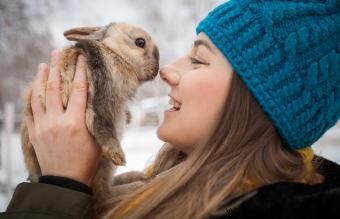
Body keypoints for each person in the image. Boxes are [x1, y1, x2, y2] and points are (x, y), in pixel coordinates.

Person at [2, 0, 340, 218]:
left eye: (198, 59)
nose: (166, 71)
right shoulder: (162, 186)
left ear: (254, 100)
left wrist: (60, 188)